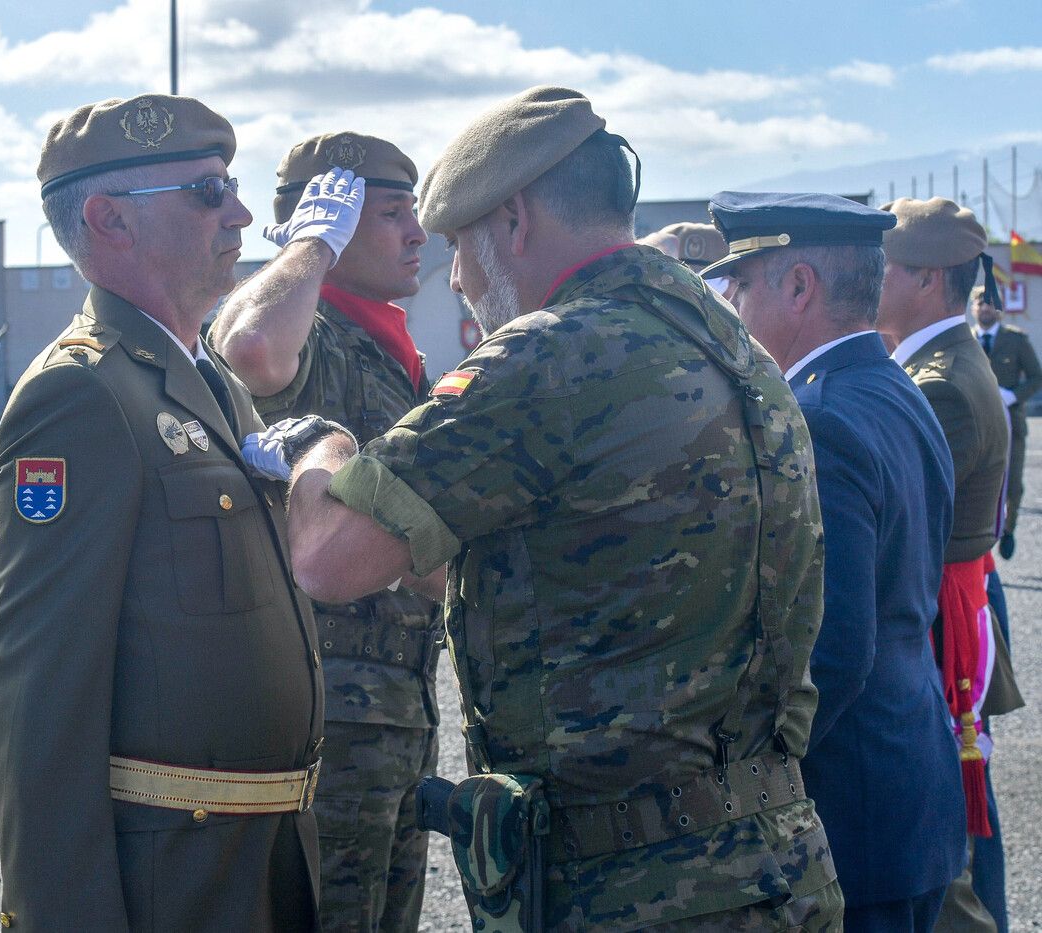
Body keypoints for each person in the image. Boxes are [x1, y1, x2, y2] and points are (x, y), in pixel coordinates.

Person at [249, 86, 842, 930]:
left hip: (629, 887)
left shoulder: (551, 352)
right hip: (773, 864)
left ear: (515, 222)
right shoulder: (731, 344)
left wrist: (318, 446)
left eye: (459, 243)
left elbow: (331, 556)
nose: (454, 276)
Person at [0, 93, 325, 932]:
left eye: (232, 186)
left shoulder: (213, 383)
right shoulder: (81, 394)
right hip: (176, 874)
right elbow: (38, 693)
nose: (241, 213)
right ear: (109, 221)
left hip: (264, 852)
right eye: (208, 192)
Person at [705, 191, 963, 931]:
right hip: (907, 773)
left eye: (743, 282)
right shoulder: (893, 390)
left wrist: (747, 783)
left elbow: (837, 649)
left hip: (854, 802)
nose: (731, 301)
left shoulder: (819, 417)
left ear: (799, 287)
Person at [209, 132, 441, 933]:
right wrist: (314, 242)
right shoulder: (308, 336)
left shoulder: (392, 350)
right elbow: (248, 349)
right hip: (329, 706)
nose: (417, 232)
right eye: (389, 214)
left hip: (401, 700)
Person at [877, 196, 1015, 933]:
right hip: (957, 608)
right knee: (962, 810)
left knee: (943, 833)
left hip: (940, 622)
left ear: (928, 278)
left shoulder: (939, 383)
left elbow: (911, 539)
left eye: (885, 267)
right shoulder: (945, 362)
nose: (872, 280)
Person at [972, 284, 1041, 559]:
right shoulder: (966, 341)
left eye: (990, 302)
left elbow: (1037, 376)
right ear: (972, 307)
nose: (986, 307)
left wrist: (1013, 396)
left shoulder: (1016, 340)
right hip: (977, 424)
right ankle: (981, 534)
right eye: (980, 302)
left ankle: (1008, 529)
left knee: (1012, 484)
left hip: (1011, 423)